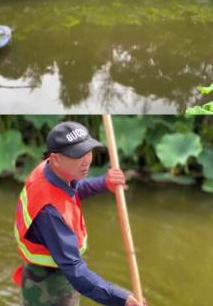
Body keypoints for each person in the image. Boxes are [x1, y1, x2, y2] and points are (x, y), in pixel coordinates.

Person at [13, 121, 147, 306]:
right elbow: (76, 271)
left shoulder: (51, 169)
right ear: (56, 158)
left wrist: (104, 183)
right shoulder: (49, 213)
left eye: (88, 152)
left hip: (52, 266)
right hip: (49, 285)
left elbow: (72, 189)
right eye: (78, 155)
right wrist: (121, 299)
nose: (86, 160)